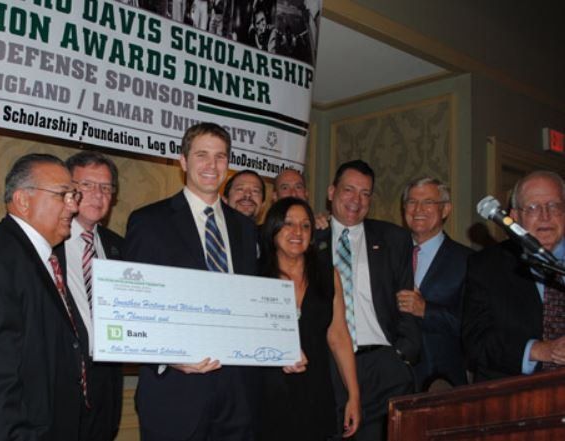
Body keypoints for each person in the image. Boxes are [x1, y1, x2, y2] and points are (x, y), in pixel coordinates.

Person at [125, 122, 259, 441]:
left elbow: (250, 303)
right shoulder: (148, 222)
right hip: (174, 393)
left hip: (237, 395)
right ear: (183, 162)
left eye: (220, 157)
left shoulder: (245, 228)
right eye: (201, 155)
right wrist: (168, 356)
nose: (211, 166)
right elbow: (133, 304)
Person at [0, 154, 86, 441]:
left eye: (73, 195)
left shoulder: (34, 255)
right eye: (62, 195)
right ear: (23, 200)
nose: (73, 206)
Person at [316, 159, 420, 441]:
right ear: (331, 192)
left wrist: (403, 355)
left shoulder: (393, 239)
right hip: (329, 368)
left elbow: (406, 301)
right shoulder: (310, 238)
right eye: (349, 190)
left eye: (365, 193)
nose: (356, 200)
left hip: (383, 367)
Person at [257, 197, 360, 440]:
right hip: (267, 391)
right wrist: (278, 352)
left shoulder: (326, 272)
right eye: (288, 224)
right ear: (273, 229)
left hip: (315, 390)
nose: (297, 232)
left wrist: (354, 395)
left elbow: (338, 335)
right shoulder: (255, 274)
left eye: (305, 226)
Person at [463, 171, 565, 380]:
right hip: (513, 399)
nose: (545, 216)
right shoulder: (486, 266)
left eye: (554, 206)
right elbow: (475, 343)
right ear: (515, 217)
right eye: (533, 208)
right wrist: (539, 350)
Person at [53, 151, 124, 441]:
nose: (98, 195)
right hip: (59, 382)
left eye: (106, 188)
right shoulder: (47, 242)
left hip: (106, 382)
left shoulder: (120, 247)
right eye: (88, 185)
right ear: (69, 190)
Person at [399, 177, 470, 390]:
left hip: (440, 381)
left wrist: (426, 310)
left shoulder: (468, 262)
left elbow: (474, 328)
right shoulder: (389, 253)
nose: (418, 209)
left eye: (428, 202)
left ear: (446, 209)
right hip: (390, 381)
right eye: (411, 202)